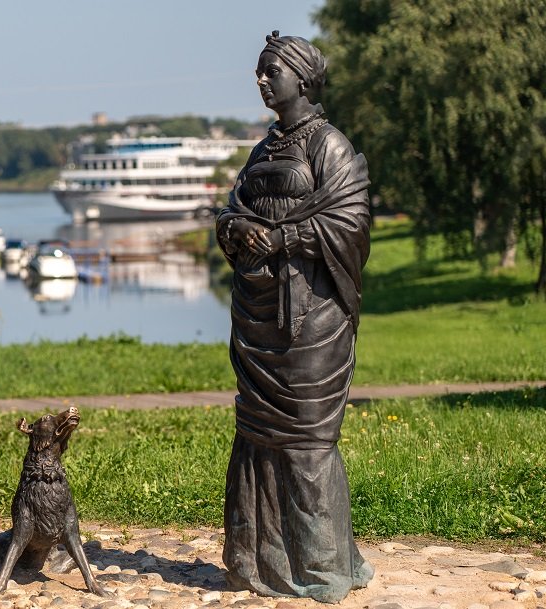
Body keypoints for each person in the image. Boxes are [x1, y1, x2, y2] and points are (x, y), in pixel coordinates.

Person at [215, 31, 374, 603]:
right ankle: (258, 562)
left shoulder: (329, 145)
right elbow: (231, 211)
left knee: (308, 437)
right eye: (258, 72)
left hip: (312, 318)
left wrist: (282, 237)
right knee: (258, 437)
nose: (261, 80)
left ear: (302, 79)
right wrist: (236, 228)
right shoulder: (263, 149)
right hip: (258, 313)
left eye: (272, 71)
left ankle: (324, 567)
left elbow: (350, 221)